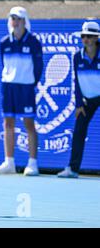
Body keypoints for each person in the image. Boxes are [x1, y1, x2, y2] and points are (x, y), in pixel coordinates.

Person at [0, 6, 43, 176]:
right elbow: (4, 65)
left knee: (29, 124)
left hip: (26, 88)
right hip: (8, 86)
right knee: (8, 123)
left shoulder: (34, 42)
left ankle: (32, 163)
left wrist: (29, 82)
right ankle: (9, 163)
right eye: (13, 18)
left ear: (24, 21)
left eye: (19, 19)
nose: (15, 22)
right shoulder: (3, 43)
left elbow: (38, 68)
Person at [58, 21, 100, 178]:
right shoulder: (77, 57)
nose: (86, 39)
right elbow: (76, 82)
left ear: (96, 38)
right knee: (79, 131)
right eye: (83, 36)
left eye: (89, 36)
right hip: (87, 101)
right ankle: (73, 169)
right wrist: (78, 104)